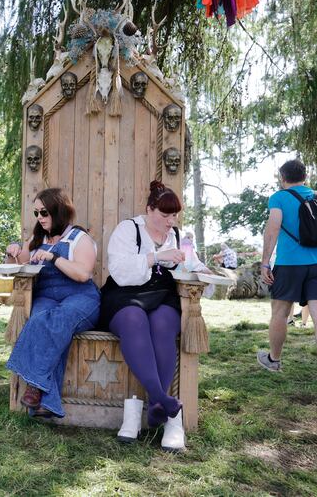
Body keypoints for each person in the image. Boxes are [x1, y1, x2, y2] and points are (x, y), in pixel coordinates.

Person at [99, 181, 210, 451]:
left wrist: (202, 270)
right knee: (134, 320)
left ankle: (156, 409)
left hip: (162, 293)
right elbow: (119, 269)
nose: (170, 221)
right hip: (125, 293)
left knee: (162, 323)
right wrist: (155, 257)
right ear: (149, 210)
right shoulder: (129, 229)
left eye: (174, 216)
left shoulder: (176, 235)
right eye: (165, 215)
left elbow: (190, 262)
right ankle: (165, 402)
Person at [5, 188, 100, 419]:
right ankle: (47, 403)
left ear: (58, 211)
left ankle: (35, 387)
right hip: (46, 296)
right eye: (36, 212)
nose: (39, 217)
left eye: (44, 212)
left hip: (81, 297)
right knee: (39, 320)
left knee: (60, 318)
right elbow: (19, 264)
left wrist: (54, 258)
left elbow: (83, 275)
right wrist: (13, 251)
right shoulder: (37, 237)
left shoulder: (79, 238)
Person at [258, 159, 317, 388]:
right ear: (305, 176)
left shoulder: (279, 197)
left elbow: (274, 226)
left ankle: (274, 360)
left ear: (282, 177)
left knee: (279, 312)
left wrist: (265, 262)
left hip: (289, 264)